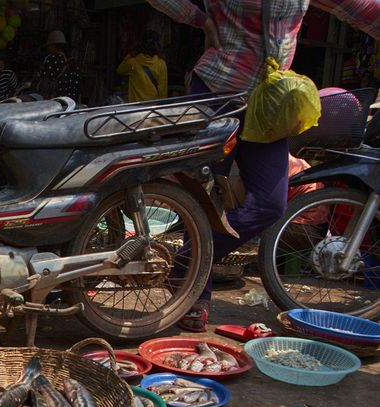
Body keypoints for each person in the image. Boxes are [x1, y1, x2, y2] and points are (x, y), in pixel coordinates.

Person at [146, 0, 380, 331]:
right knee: (205, 195)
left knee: (269, 205)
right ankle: (196, 293)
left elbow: (362, 9)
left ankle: (185, 264)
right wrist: (199, 19)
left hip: (271, 104)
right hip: (217, 91)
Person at [116, 30, 168, 102]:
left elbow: (120, 70)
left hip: (136, 107)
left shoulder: (133, 62)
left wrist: (130, 55)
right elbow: (163, 89)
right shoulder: (161, 63)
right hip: (153, 108)